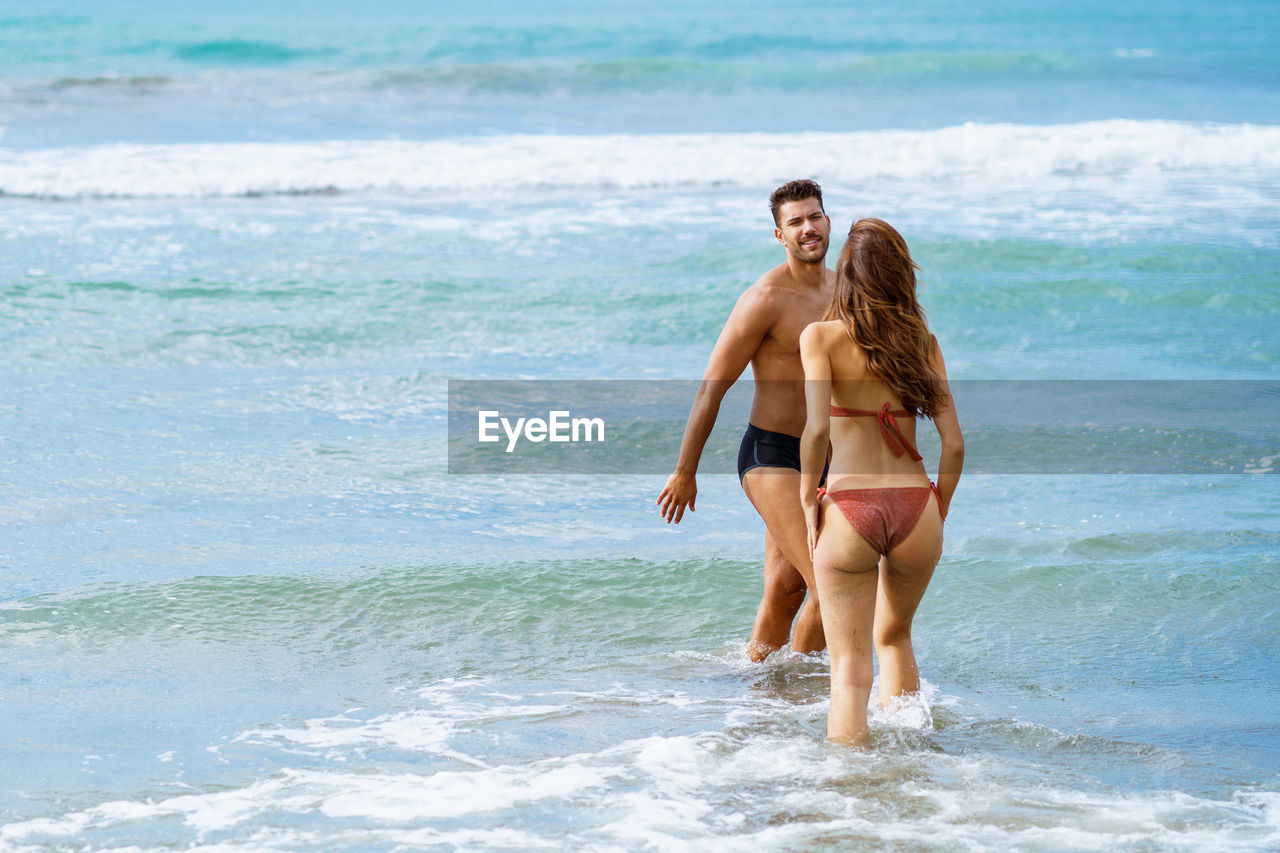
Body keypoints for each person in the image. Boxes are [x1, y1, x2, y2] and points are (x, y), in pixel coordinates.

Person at [798, 217, 964, 742]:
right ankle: (911, 756)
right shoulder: (924, 343)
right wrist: (938, 507)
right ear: (900, 277)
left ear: (846, 274)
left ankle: (850, 792)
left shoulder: (820, 337)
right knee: (895, 636)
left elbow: (817, 431)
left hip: (850, 506)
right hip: (918, 507)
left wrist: (809, 502)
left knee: (848, 674)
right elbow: (955, 445)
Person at [657, 179, 835, 661]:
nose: (807, 228)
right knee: (830, 585)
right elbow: (711, 389)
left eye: (814, 217)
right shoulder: (764, 299)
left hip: (829, 458)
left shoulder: (848, 290)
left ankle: (758, 696)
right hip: (772, 455)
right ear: (780, 236)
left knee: (785, 592)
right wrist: (684, 470)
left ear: (829, 222)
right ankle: (806, 699)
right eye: (795, 222)